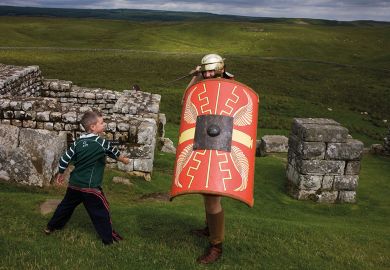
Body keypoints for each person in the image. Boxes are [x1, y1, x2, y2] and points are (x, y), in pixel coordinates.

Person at [44, 111, 130, 245]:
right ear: (93, 127)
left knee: (65, 207)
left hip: (74, 184)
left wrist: (60, 173)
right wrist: (124, 160)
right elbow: (114, 152)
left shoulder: (78, 142)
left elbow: (65, 159)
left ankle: (51, 226)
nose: (104, 124)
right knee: (102, 211)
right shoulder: (101, 142)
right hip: (90, 188)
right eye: (101, 123)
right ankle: (108, 239)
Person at [187, 54, 234, 264]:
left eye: (209, 71)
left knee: (213, 198)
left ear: (220, 70)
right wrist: (196, 77)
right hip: (205, 143)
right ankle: (209, 229)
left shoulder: (229, 88)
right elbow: (186, 100)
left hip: (221, 147)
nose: (206, 75)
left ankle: (217, 246)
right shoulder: (204, 85)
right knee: (206, 193)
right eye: (203, 71)